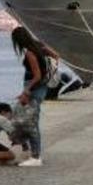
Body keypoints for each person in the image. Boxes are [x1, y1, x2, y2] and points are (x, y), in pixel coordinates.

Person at [11, 26, 57, 167]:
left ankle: (35, 157)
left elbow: (36, 76)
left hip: (34, 88)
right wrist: (50, 69)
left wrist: (26, 91)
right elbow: (56, 56)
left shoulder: (30, 53)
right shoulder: (39, 46)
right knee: (25, 119)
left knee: (30, 123)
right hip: (41, 87)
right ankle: (28, 151)